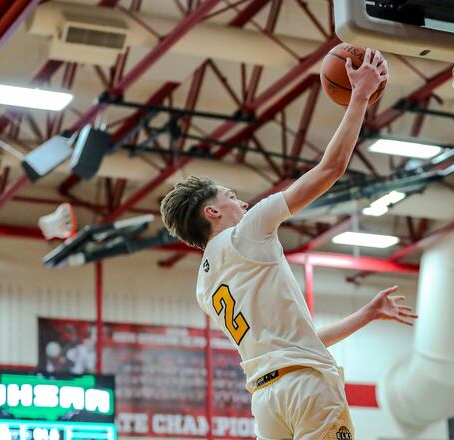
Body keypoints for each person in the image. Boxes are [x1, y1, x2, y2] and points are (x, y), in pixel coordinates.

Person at [161, 49, 416, 439]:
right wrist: (361, 95)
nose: (242, 202)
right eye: (230, 196)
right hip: (306, 387)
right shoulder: (249, 231)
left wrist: (365, 315)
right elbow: (330, 169)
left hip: (267, 399)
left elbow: (297, 341)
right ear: (211, 212)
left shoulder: (205, 287)